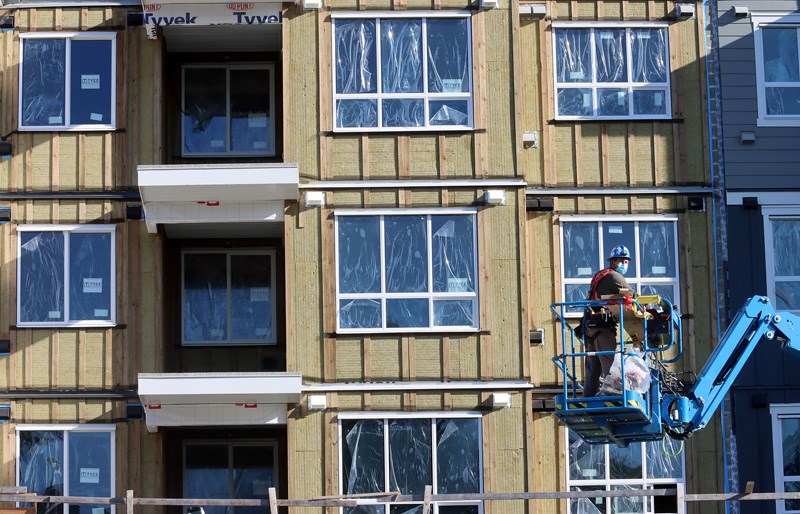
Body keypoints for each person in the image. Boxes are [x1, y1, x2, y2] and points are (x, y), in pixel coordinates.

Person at [582, 245, 636, 397]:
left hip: (591, 326)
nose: (624, 264)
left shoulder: (601, 275)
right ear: (612, 262)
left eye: (626, 261)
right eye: (621, 261)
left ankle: (588, 398)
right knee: (609, 364)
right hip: (602, 327)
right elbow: (632, 294)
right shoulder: (614, 277)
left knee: (593, 368)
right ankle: (613, 395)